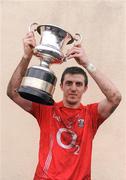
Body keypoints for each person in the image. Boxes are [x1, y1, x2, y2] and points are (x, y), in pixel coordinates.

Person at [7, 31, 122, 180]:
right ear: (61, 86)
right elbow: (13, 92)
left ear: (85, 88)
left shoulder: (91, 114)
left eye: (78, 84)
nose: (73, 88)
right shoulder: (46, 109)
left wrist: (87, 63)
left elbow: (115, 97)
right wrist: (26, 57)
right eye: (68, 83)